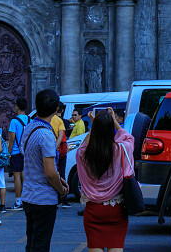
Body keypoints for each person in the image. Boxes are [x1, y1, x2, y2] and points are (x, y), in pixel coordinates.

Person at [75, 108, 135, 252]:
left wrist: (94, 126)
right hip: (116, 209)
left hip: (93, 210)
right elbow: (129, 139)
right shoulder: (121, 149)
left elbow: (83, 146)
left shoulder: (84, 154)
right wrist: (114, 122)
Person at [21, 89, 70, 252]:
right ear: (56, 110)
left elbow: (35, 161)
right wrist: (61, 190)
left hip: (29, 195)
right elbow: (49, 172)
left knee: (32, 242)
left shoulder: (29, 128)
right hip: (43, 198)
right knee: (41, 245)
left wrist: (59, 179)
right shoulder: (46, 135)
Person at [7, 96, 29, 210]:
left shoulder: (14, 121)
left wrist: (8, 153)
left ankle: (18, 201)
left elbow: (12, 139)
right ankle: (26, 199)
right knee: (25, 176)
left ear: (17, 107)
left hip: (16, 151)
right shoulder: (30, 120)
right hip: (27, 152)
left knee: (17, 177)